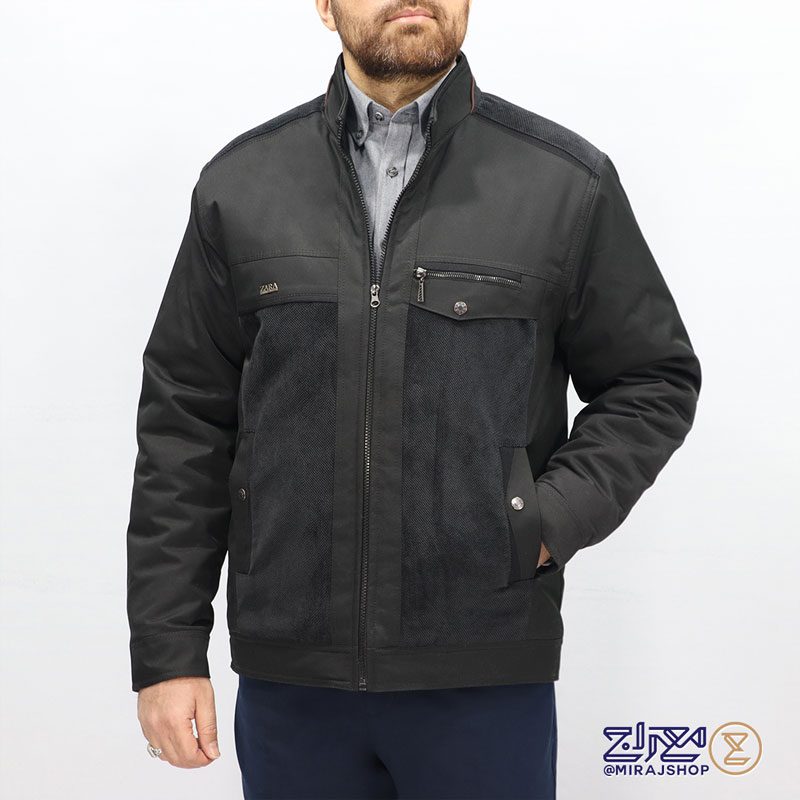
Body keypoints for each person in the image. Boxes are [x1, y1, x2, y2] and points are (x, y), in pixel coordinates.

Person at [126, 1, 702, 797]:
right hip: (294, 684)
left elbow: (652, 379)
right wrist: (167, 650)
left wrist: (540, 524)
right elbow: (185, 420)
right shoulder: (241, 185)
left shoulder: (564, 183)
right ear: (324, 6)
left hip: (484, 676)